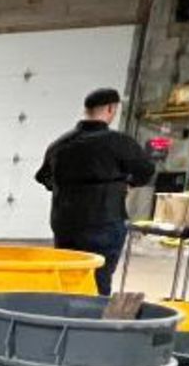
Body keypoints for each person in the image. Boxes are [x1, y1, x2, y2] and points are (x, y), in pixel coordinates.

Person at [35, 87, 156, 294]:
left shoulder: (60, 144)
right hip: (104, 220)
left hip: (65, 223)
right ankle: (92, 321)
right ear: (111, 109)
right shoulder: (119, 143)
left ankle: (64, 318)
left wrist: (68, 188)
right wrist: (127, 183)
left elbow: (43, 177)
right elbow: (146, 171)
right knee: (98, 279)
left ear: (86, 109)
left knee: (68, 278)